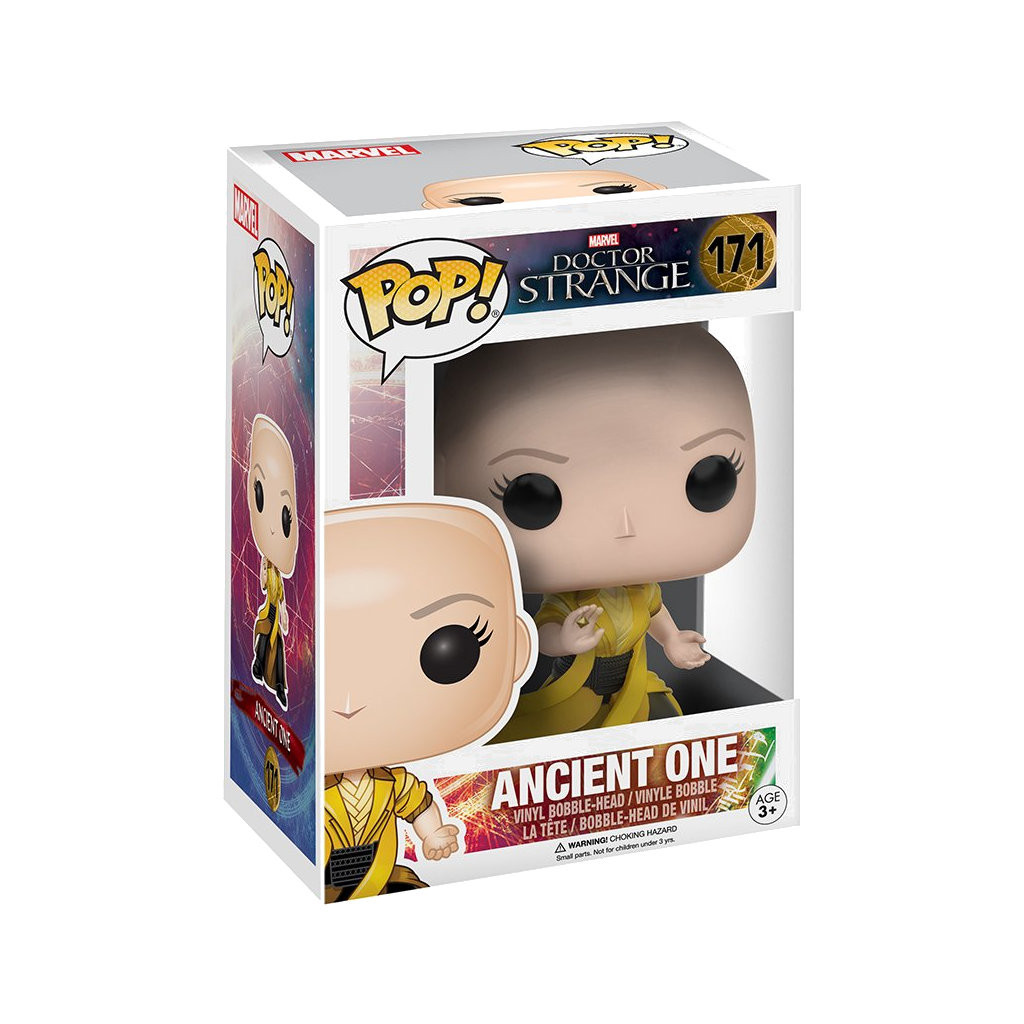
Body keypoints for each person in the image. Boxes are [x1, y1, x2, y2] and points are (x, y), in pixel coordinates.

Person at [435, 323, 755, 740]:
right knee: (561, 729)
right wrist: (564, 640)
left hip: (632, 681)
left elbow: (655, 612)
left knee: (655, 715)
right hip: (578, 685)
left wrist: (673, 641)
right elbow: (541, 632)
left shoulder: (643, 589)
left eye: (708, 478)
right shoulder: (571, 600)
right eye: (531, 496)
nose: (626, 524)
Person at [323, 501, 534, 900]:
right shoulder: (313, 788)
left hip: (379, 872)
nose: (350, 703)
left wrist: (433, 833)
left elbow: (419, 807)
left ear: (517, 650)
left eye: (449, 651)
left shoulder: (393, 783)